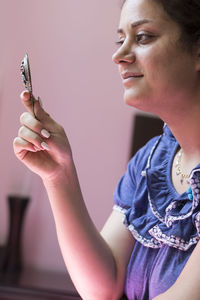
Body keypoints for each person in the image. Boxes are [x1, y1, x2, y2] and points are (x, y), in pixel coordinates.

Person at [13, 0, 200, 299]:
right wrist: (59, 176)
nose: (119, 56)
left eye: (142, 38)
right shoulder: (151, 162)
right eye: (120, 39)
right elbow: (101, 288)